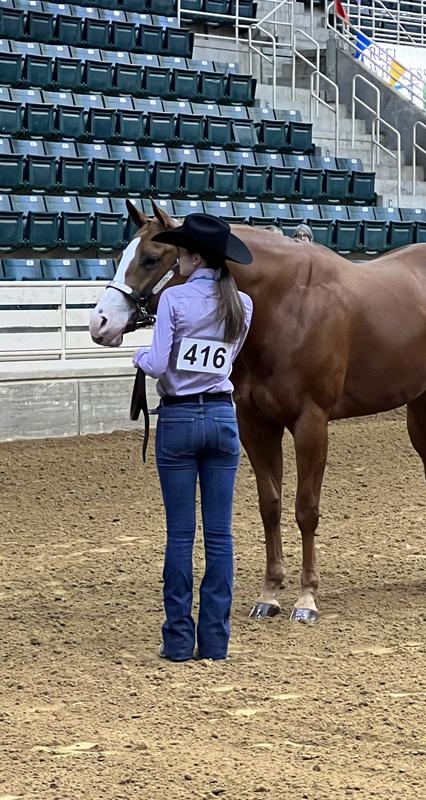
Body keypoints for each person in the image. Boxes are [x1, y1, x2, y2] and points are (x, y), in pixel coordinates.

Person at [133, 214, 253, 663]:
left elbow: (160, 362)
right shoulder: (243, 304)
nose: (177, 259)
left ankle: (179, 641)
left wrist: (137, 356)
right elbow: (225, 362)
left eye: (181, 253)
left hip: (179, 421)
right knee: (220, 536)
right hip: (223, 418)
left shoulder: (173, 300)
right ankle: (216, 642)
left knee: (181, 535)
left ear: (196, 256)